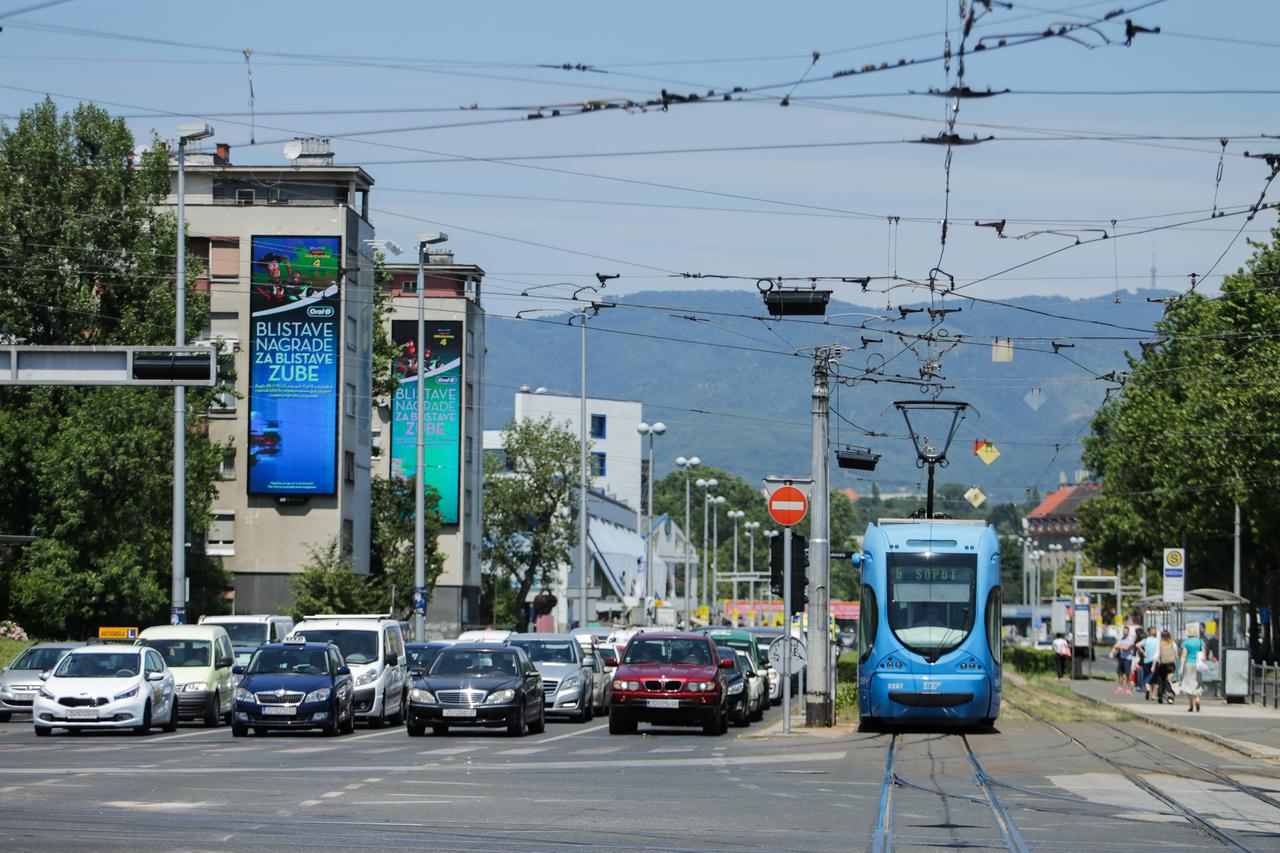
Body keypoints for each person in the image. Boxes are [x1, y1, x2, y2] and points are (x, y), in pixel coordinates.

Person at [1178, 623, 1206, 712]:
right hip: (1198, 664)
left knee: (1188, 684)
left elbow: (1183, 655)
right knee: (1198, 682)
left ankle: (1191, 704)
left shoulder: (1186, 643)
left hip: (1189, 664)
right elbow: (1203, 653)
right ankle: (1197, 698)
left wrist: (1181, 667)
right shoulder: (1200, 641)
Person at [1109, 625, 1135, 694]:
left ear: (1128, 632)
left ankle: (1127, 688)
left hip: (1127, 659)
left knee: (1127, 673)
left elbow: (1127, 648)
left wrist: (1119, 646)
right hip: (1121, 658)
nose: (1124, 632)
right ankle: (1120, 687)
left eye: (1125, 631)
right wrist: (1112, 653)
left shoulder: (1131, 639)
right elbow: (1115, 646)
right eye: (1123, 631)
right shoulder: (1121, 639)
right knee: (1119, 673)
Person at [1155, 630, 1177, 703]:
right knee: (1168, 680)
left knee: (1161, 680)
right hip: (1171, 665)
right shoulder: (1172, 643)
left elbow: (1156, 655)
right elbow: (1176, 653)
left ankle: (1161, 695)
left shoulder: (1160, 644)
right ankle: (1170, 695)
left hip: (1163, 665)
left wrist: (1155, 663)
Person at [1138, 627, 1160, 700]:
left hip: (1146, 660)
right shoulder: (1157, 641)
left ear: (1148, 633)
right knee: (1154, 678)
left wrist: (1142, 651)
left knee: (1147, 676)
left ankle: (1147, 687)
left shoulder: (1146, 640)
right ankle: (1153, 695)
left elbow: (1137, 645)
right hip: (1155, 661)